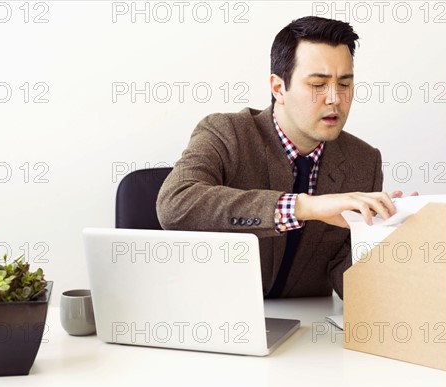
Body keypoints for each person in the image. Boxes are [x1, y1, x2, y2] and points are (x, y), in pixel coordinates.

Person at [157, 16, 405, 299]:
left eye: (345, 84)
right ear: (278, 88)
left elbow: (348, 280)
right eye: (318, 85)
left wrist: (384, 240)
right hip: (218, 321)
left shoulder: (364, 161)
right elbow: (175, 205)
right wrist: (304, 207)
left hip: (308, 331)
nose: (335, 98)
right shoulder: (226, 133)